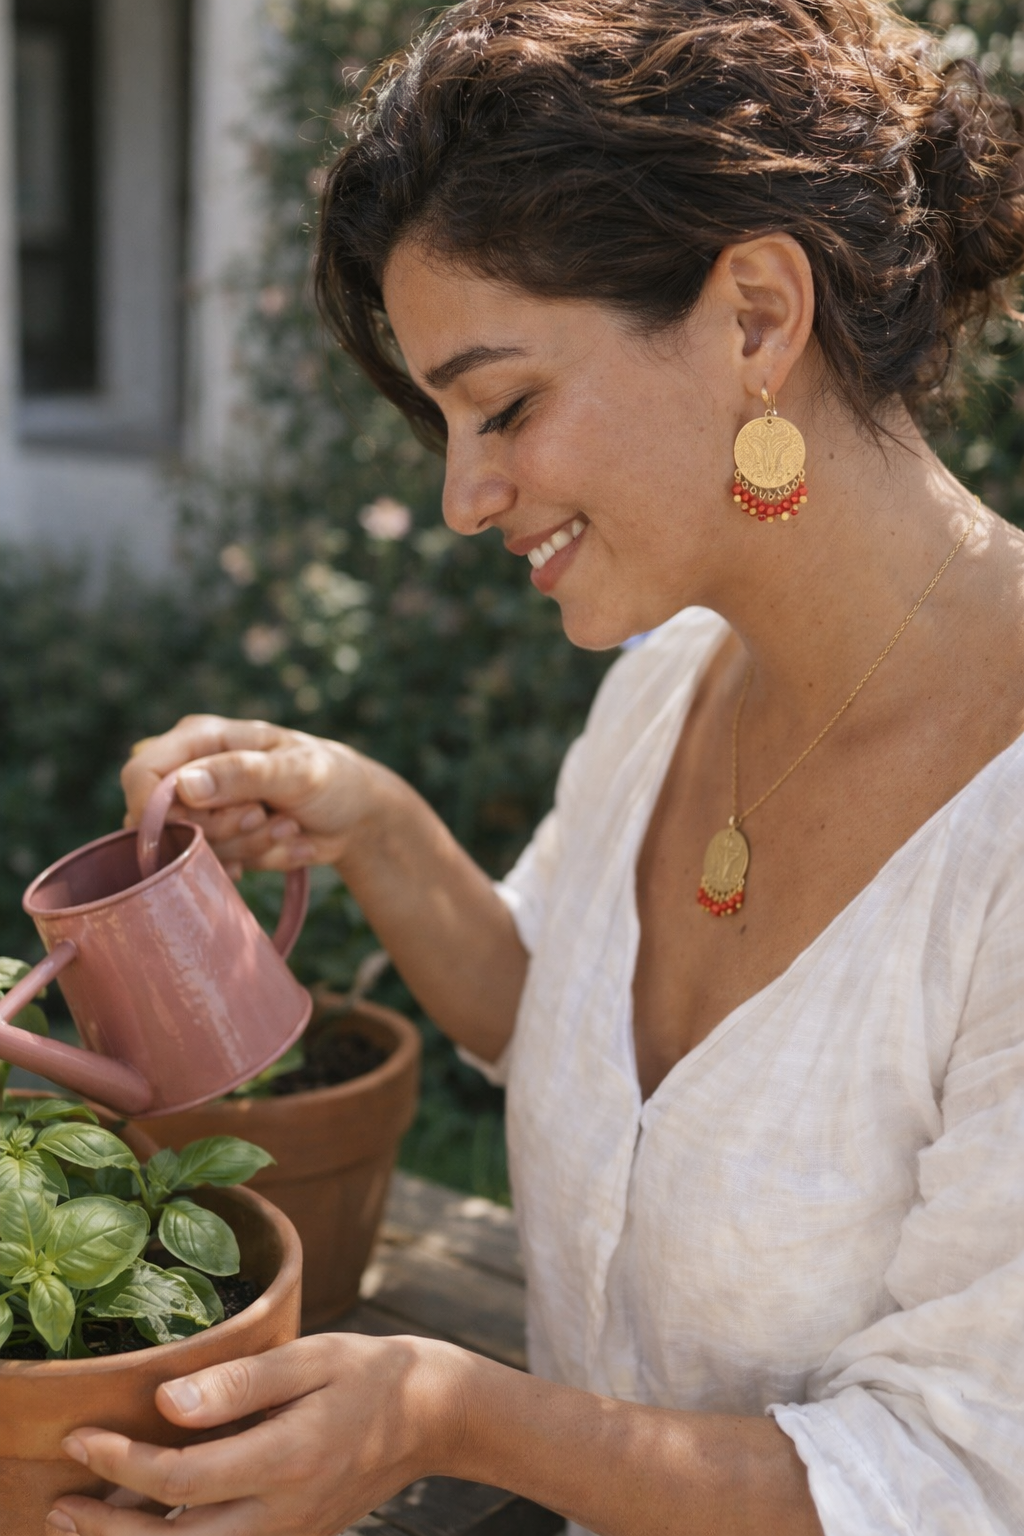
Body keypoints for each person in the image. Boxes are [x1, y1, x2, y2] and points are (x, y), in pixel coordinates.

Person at [46, 0, 1024, 1531]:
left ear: (756, 318)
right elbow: (550, 1016)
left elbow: (963, 1474)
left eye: (504, 406)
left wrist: (448, 1415)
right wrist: (370, 821)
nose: (462, 497)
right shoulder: (672, 683)